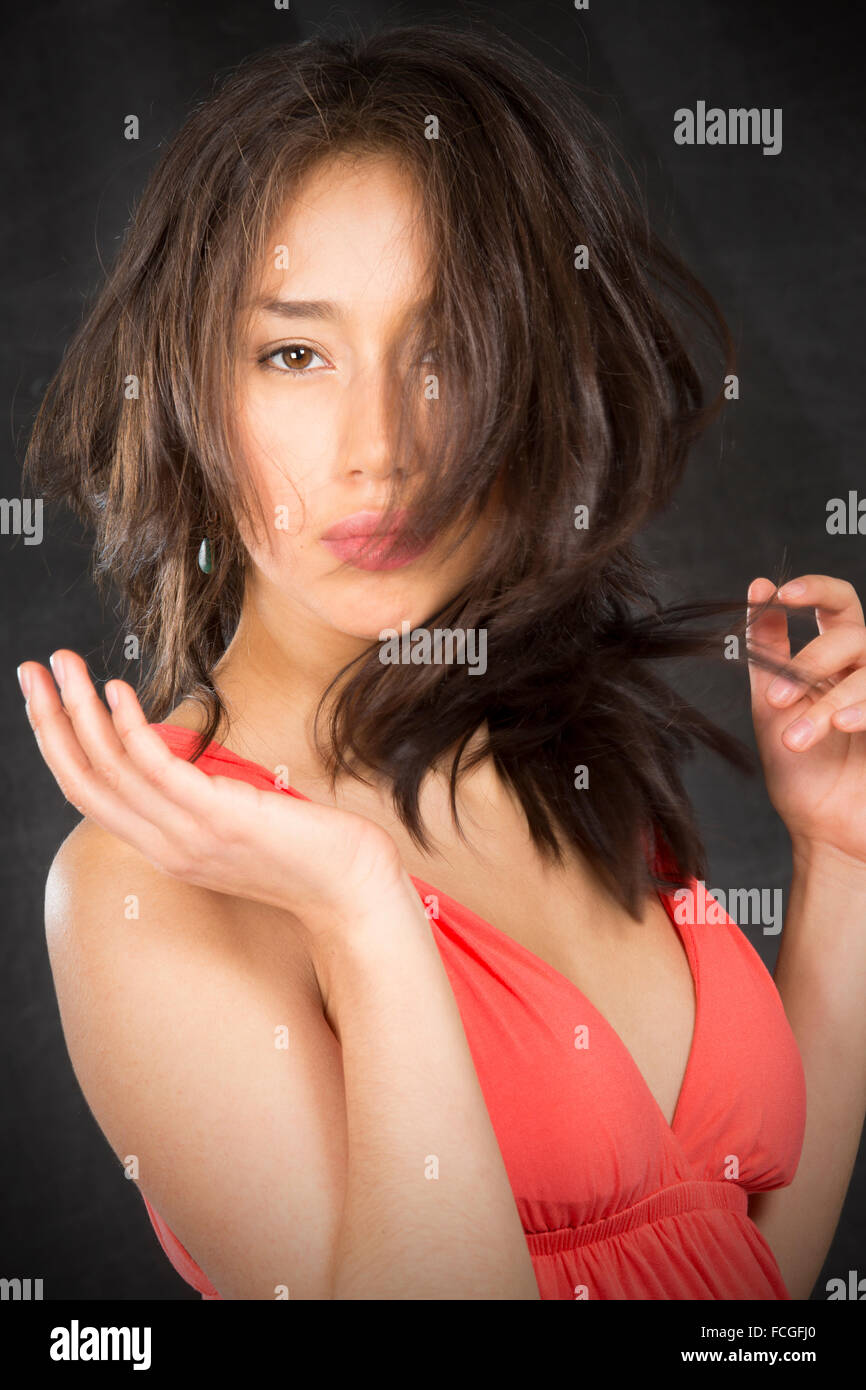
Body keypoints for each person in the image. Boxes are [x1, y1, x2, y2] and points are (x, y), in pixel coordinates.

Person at [19, 23, 866, 1301]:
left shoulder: (559, 752)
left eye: (447, 351)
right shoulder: (144, 888)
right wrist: (363, 915)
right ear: (190, 393)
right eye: (294, 354)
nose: (381, 449)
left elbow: (738, 1275)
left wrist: (843, 858)